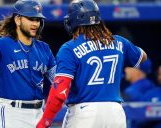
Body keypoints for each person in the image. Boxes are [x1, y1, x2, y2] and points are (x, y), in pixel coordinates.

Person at [37, 0, 147, 128]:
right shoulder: (119, 42)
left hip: (85, 113)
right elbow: (142, 56)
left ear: (74, 20)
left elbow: (59, 92)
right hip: (115, 113)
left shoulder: (69, 48)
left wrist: (45, 120)